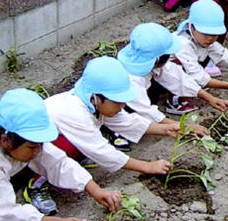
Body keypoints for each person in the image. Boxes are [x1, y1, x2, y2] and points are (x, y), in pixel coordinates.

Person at [44, 56, 205, 176]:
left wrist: (167, 129)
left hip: (68, 136)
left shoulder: (93, 103)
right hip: (34, 153)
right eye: (118, 102)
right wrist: (147, 166)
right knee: (68, 147)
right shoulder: (74, 112)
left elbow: (127, 122)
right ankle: (36, 183)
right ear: (96, 97)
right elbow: (101, 151)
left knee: (84, 143)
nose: (122, 107)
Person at [0, 88, 121, 220]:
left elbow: (56, 162)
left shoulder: (18, 134)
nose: (38, 151)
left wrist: (96, 190)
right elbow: (1, 212)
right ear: (6, 141)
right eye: (32, 147)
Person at [118, 22, 228, 115]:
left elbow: (177, 77)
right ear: (159, 59)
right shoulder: (133, 80)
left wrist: (210, 97)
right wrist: (179, 127)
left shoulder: (147, 59)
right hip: (123, 109)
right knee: (131, 114)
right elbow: (145, 111)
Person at [173, 0, 228, 93]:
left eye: (214, 34)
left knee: (206, 54)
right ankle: (175, 99)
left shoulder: (200, 38)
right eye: (206, 33)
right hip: (164, 77)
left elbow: (220, 54)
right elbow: (196, 74)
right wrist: (227, 85)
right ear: (192, 27)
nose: (210, 38)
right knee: (180, 70)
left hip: (188, 68)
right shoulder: (183, 43)